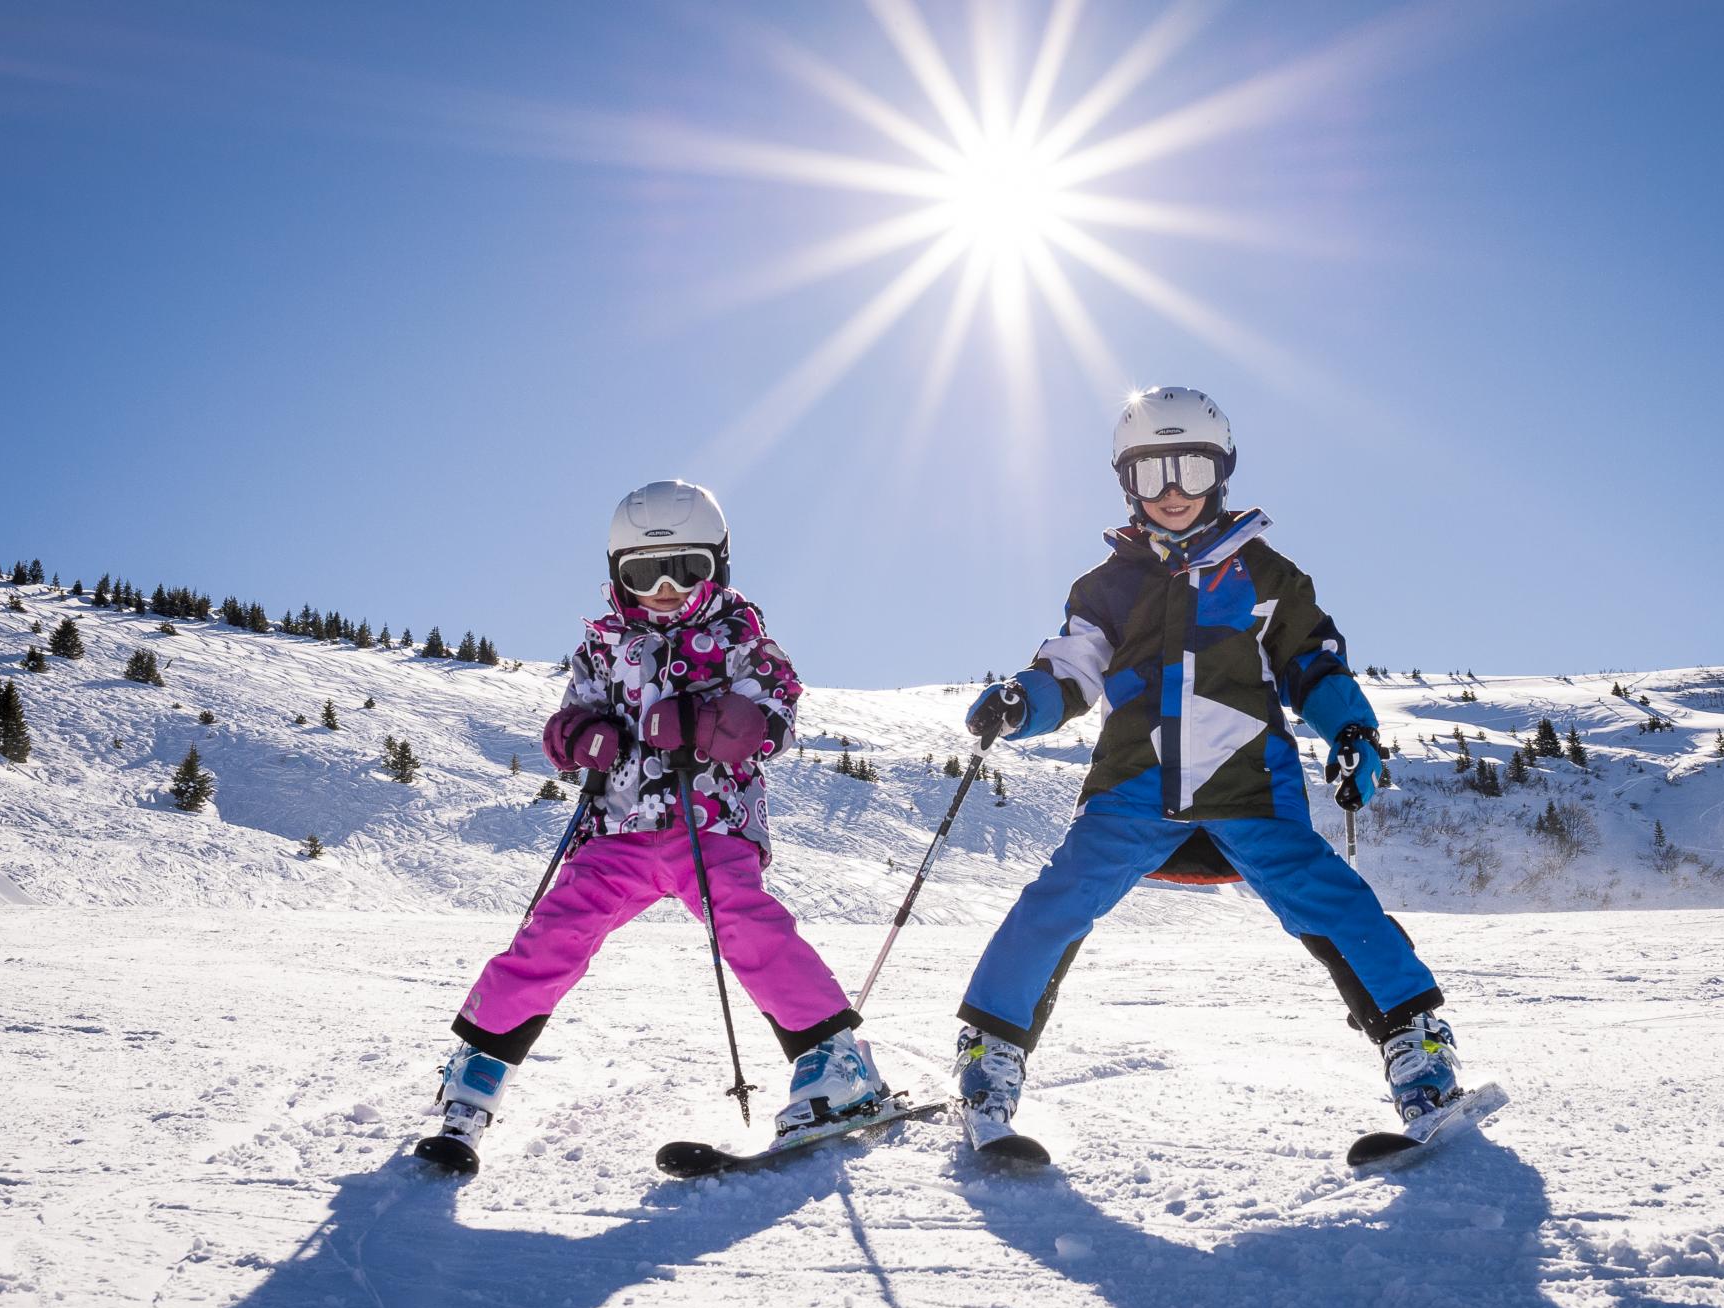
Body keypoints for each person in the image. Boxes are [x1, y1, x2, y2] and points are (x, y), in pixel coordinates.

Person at [953, 387, 1461, 1141]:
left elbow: (1311, 665)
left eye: (1191, 469)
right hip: (1133, 786)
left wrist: (1351, 732)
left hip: (1249, 784)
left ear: (1220, 472)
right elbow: (1071, 670)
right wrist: (1022, 703)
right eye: (1152, 473)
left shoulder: (1263, 573)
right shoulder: (1107, 586)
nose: (1172, 492)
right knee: (1056, 900)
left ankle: (1417, 1047)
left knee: (1329, 899)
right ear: (1126, 481)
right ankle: (989, 1054)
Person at [422, 480, 886, 1167]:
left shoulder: (740, 637)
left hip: (710, 823)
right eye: (645, 573)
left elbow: (779, 707)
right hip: (616, 829)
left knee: (750, 927)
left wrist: (719, 724)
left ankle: (838, 1063)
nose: (665, 588)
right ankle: (477, 1073)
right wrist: (578, 737)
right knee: (553, 934)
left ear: (718, 566)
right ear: (618, 576)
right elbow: (569, 714)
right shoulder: (600, 648)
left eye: (686, 569)